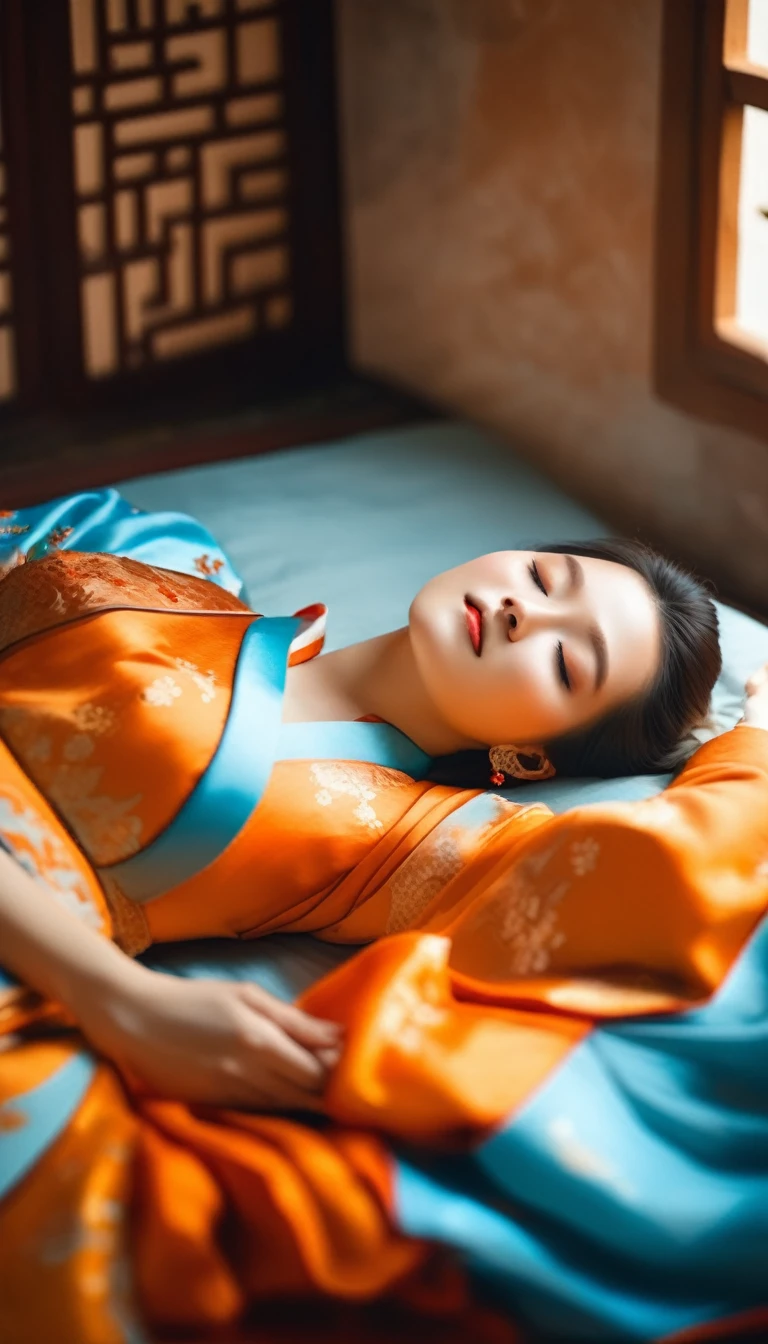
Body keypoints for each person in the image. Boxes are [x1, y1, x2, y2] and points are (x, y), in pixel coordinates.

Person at [1, 490, 767, 1343]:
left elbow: (649, 879)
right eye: (546, 577)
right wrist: (122, 1002)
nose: (526, 612)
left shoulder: (400, 842)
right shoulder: (168, 557)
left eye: (566, 662)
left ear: (532, 755)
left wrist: (755, 744)